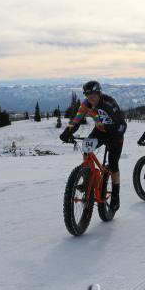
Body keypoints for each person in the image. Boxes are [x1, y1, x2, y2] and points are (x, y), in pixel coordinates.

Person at [59, 81, 127, 211]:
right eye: (87, 95)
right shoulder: (86, 104)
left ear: (99, 93)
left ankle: (115, 196)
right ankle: (87, 178)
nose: (90, 98)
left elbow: (121, 123)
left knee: (113, 164)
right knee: (86, 148)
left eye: (93, 95)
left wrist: (116, 135)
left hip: (115, 132)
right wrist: (67, 132)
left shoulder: (108, 103)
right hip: (100, 130)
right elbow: (76, 120)